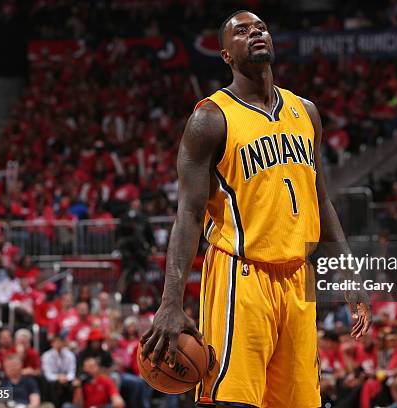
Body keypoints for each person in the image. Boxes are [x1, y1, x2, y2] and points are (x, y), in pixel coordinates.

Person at [140, 10, 371, 407]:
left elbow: (320, 200)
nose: (255, 33)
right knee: (233, 399)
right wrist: (170, 301)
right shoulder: (209, 119)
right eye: (241, 32)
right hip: (241, 274)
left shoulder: (306, 112)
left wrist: (349, 271)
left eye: (260, 27)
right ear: (226, 54)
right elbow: (189, 216)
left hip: (299, 278)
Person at [42, 334, 76, 407]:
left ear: (64, 343)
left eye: (60, 342)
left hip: (66, 382)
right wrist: (58, 377)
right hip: (52, 384)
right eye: (56, 342)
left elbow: (72, 372)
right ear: (52, 344)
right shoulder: (46, 355)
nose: (58, 344)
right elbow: (48, 374)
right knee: (51, 384)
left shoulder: (70, 355)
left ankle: (69, 404)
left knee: (74, 384)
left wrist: (66, 378)